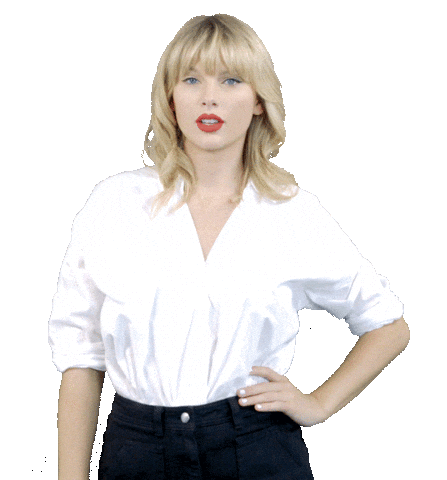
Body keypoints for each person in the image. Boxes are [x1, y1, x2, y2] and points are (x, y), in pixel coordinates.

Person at [49, 14, 409, 480]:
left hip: (255, 448)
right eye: (191, 79)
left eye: (231, 79)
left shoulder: (292, 213)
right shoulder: (114, 205)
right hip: (137, 452)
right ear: (171, 98)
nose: (209, 96)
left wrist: (318, 404)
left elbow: (388, 326)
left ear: (258, 101)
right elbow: (81, 357)